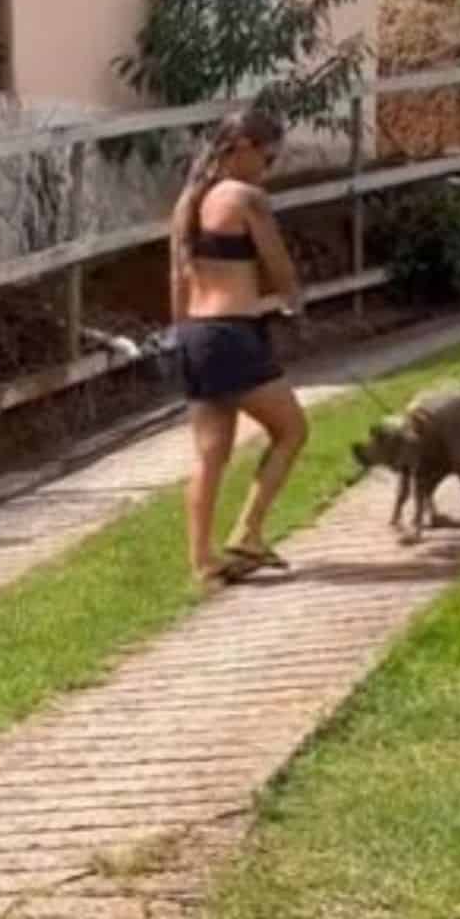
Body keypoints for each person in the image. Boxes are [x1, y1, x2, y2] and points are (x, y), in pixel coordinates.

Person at [167, 107, 310, 587]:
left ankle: (202, 561)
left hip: (194, 335)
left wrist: (180, 336)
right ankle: (248, 531)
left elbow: (177, 279)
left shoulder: (187, 202)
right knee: (291, 429)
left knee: (210, 455)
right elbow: (280, 267)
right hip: (234, 332)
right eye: (268, 157)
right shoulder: (247, 198)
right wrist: (294, 303)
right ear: (245, 146)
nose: (268, 168)